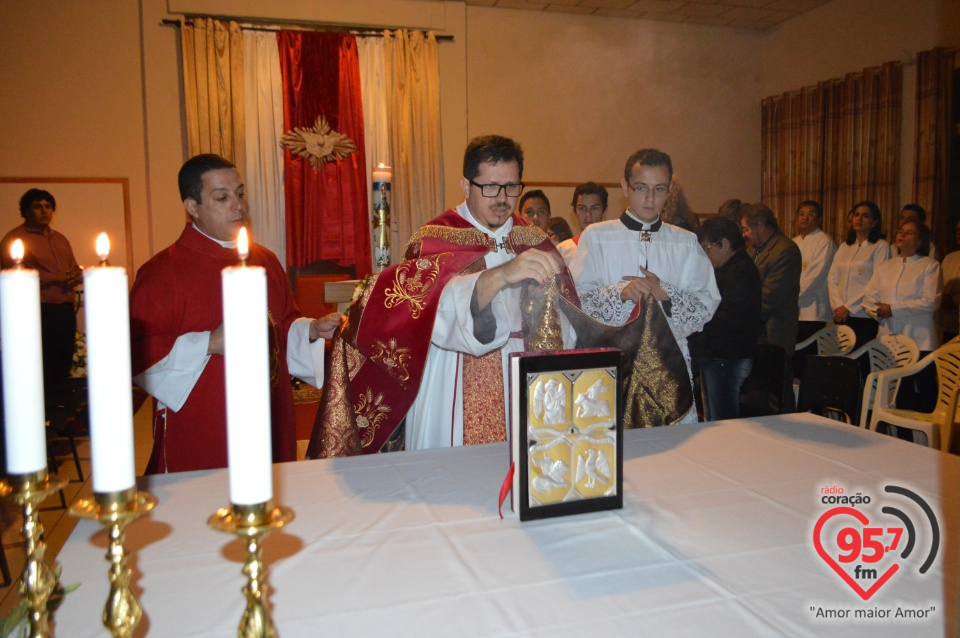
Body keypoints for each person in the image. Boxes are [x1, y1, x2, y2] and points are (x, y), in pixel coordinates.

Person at [308, 135, 577, 457]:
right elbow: (428, 312)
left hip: (525, 379)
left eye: (511, 187)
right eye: (490, 187)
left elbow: (568, 319)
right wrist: (502, 275)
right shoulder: (435, 239)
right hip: (453, 376)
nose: (502, 198)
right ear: (466, 185)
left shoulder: (534, 238)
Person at [129, 154, 340, 473]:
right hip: (205, 424)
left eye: (240, 193)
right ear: (192, 207)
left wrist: (309, 331)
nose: (238, 205)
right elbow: (139, 354)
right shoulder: (162, 272)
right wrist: (209, 343)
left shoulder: (265, 261)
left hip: (267, 413)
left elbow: (280, 324)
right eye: (222, 197)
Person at [571, 149, 720, 424]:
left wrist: (666, 294)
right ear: (625, 187)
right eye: (641, 188)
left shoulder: (685, 242)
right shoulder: (598, 236)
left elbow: (706, 302)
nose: (650, 199)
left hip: (668, 364)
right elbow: (577, 299)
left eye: (659, 189)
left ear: (668, 190)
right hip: (612, 363)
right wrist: (620, 294)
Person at [1, 189, 82, 395]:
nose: (44, 211)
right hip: (36, 310)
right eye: (37, 207)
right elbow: (10, 275)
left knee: (62, 359)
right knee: (39, 363)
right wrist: (54, 278)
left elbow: (73, 267)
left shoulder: (60, 239)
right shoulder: (15, 239)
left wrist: (75, 275)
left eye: (48, 206)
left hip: (64, 309)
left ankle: (58, 409)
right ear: (26, 211)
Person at [864, 219, 940, 414]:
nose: (902, 235)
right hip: (889, 339)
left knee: (923, 393)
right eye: (900, 231)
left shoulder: (929, 266)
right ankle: (899, 435)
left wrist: (893, 309)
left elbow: (930, 301)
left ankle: (926, 439)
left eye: (909, 232)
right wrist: (877, 311)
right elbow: (869, 299)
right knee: (896, 393)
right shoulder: (885, 266)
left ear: (920, 240)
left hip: (920, 338)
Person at [689, 218, 761, 421]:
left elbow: (728, 316)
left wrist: (695, 321)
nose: (705, 255)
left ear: (725, 244)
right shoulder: (727, 269)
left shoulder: (741, 271)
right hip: (716, 355)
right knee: (714, 418)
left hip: (727, 356)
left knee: (723, 420)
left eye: (707, 248)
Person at [740, 204, 802, 371]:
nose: (744, 234)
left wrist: (739, 311)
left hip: (773, 330)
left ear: (760, 226)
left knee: (775, 384)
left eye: (746, 229)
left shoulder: (785, 250)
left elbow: (771, 296)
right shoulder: (754, 250)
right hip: (754, 328)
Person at [827, 201, 891, 349]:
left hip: (863, 315)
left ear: (874, 222)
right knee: (841, 359)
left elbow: (876, 283)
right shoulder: (844, 246)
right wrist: (838, 306)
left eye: (865, 216)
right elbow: (832, 279)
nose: (859, 219)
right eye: (856, 215)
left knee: (860, 360)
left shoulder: (880, 246)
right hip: (841, 314)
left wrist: (849, 307)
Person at [792, 200, 836, 377]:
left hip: (813, 310)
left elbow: (815, 277)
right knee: (794, 358)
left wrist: (791, 299)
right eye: (801, 214)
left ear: (819, 219)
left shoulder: (824, 241)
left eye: (810, 214)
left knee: (808, 359)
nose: (805, 218)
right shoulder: (793, 242)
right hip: (793, 310)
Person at [556, 182, 607, 265]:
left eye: (594, 208)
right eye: (582, 208)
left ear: (604, 211)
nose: (588, 215)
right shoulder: (562, 252)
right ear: (575, 212)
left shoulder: (614, 249)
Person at [940, 220, 960, 342]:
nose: (958, 233)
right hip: (944, 324)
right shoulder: (949, 258)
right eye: (957, 230)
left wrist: (954, 300)